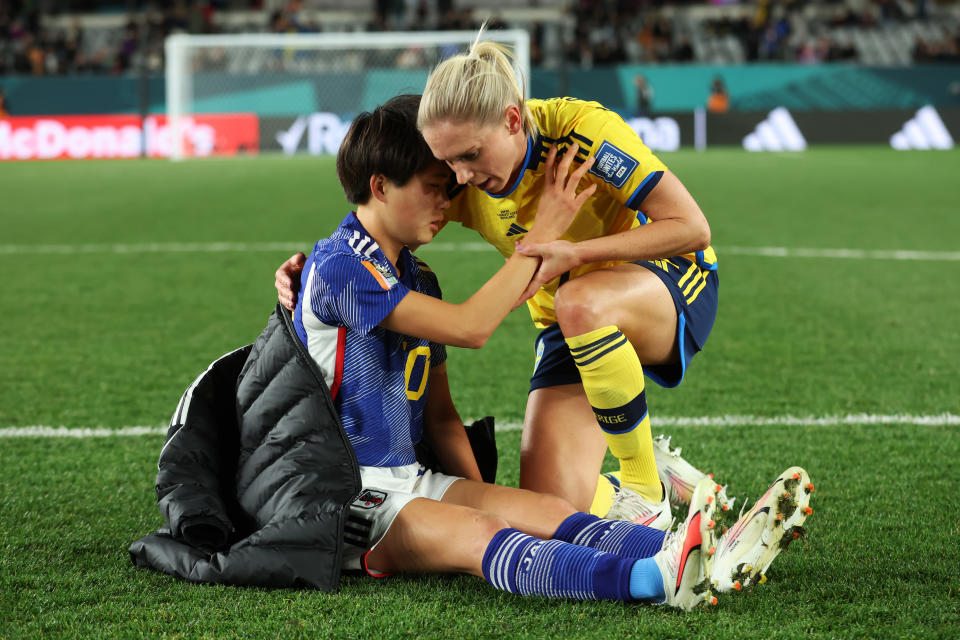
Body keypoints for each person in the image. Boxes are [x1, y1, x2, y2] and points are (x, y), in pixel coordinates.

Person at [291, 94, 811, 608]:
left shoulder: (417, 279)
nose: (452, 196)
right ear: (381, 186)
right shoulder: (340, 266)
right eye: (437, 186)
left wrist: (496, 500)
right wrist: (547, 230)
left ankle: (709, 544)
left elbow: (443, 420)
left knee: (541, 512)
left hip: (426, 471)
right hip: (353, 496)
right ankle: (659, 580)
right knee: (483, 535)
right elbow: (471, 328)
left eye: (455, 177)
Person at [276, 31, 724, 529]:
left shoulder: (582, 134)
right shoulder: (462, 181)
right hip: (568, 319)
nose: (460, 178)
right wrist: (311, 269)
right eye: (446, 163)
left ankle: (643, 489)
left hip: (670, 281)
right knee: (553, 504)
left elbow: (690, 228)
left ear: (513, 120)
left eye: (470, 155)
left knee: (580, 300)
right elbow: (381, 232)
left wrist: (573, 251)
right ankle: (653, 476)